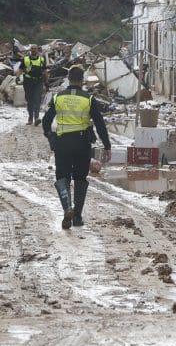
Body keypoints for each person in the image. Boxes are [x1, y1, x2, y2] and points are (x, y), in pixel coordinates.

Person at [42, 65, 111, 230]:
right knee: (80, 178)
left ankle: (67, 208)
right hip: (82, 144)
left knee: (62, 177)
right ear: (82, 81)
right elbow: (100, 124)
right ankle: (78, 217)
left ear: (68, 79)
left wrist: (51, 137)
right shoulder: (88, 99)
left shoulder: (58, 97)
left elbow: (46, 121)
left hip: (62, 144)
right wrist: (107, 145)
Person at [17, 44, 49, 126]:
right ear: (30, 50)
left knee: (37, 99)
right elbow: (20, 69)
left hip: (38, 81)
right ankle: (30, 118)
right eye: (32, 49)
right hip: (28, 82)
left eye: (35, 49)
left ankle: (36, 118)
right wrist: (17, 77)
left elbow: (45, 71)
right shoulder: (25, 59)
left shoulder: (41, 59)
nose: (34, 50)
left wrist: (46, 82)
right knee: (29, 100)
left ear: (37, 50)